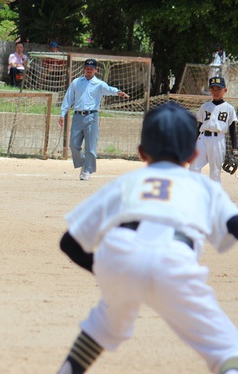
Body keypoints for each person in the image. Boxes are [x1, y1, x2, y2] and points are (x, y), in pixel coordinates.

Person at [57, 102, 238, 374]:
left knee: (105, 324)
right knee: (226, 349)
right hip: (174, 261)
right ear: (194, 152)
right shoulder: (200, 186)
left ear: (142, 153)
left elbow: (69, 242)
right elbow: (233, 225)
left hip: (118, 258)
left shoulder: (126, 183)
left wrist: (107, 269)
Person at [58, 58, 130, 180]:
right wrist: (62, 113)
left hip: (92, 116)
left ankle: (87, 170)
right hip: (77, 116)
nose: (89, 70)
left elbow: (109, 89)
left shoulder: (99, 84)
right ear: (84, 69)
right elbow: (68, 98)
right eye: (87, 68)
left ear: (96, 70)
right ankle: (84, 163)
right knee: (73, 145)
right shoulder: (76, 82)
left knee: (90, 146)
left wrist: (118, 92)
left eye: (91, 69)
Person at [189, 76, 237, 183]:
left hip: (218, 140)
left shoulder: (229, 108)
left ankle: (214, 197)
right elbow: (199, 126)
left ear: (225, 90)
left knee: (215, 172)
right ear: (209, 90)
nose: (215, 92)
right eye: (213, 89)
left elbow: (232, 130)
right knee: (193, 167)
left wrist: (235, 149)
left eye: (218, 89)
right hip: (202, 139)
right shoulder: (205, 106)